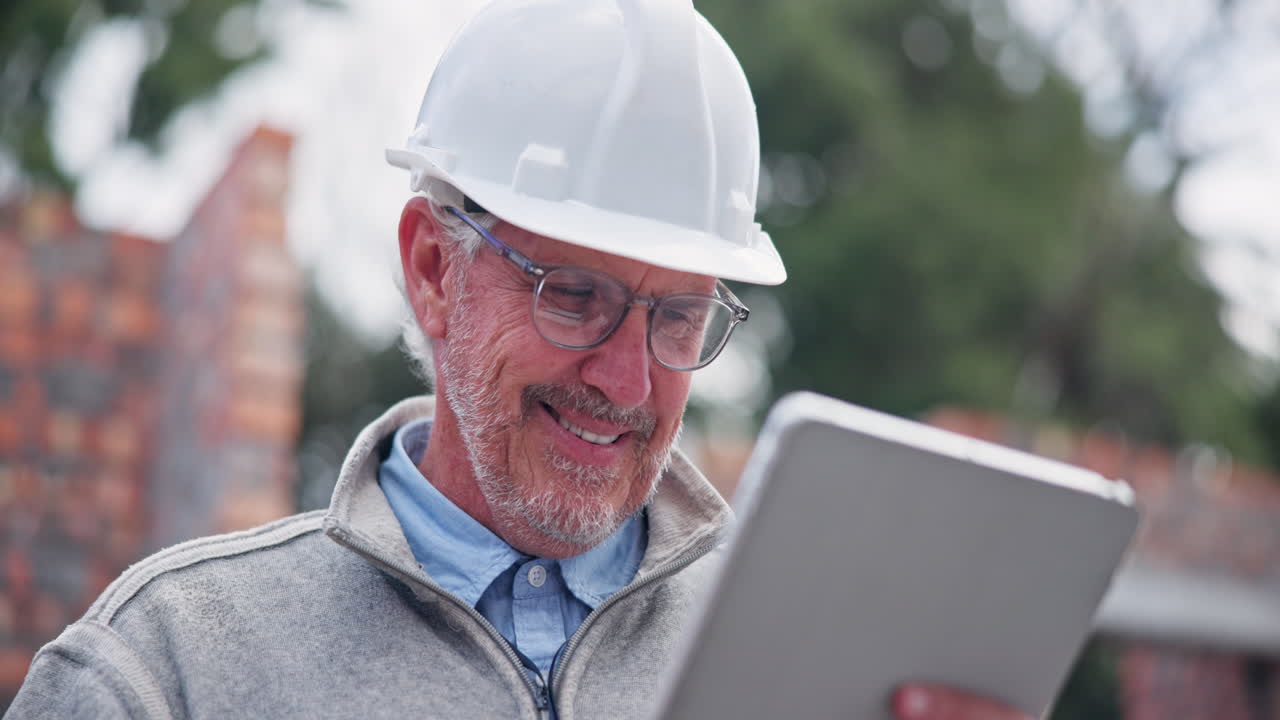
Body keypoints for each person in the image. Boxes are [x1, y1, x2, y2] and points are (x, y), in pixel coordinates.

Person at [9, 1, 1032, 718]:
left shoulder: (815, 673)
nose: (626, 382)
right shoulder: (168, 672)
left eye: (676, 318)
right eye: (573, 294)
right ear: (430, 269)